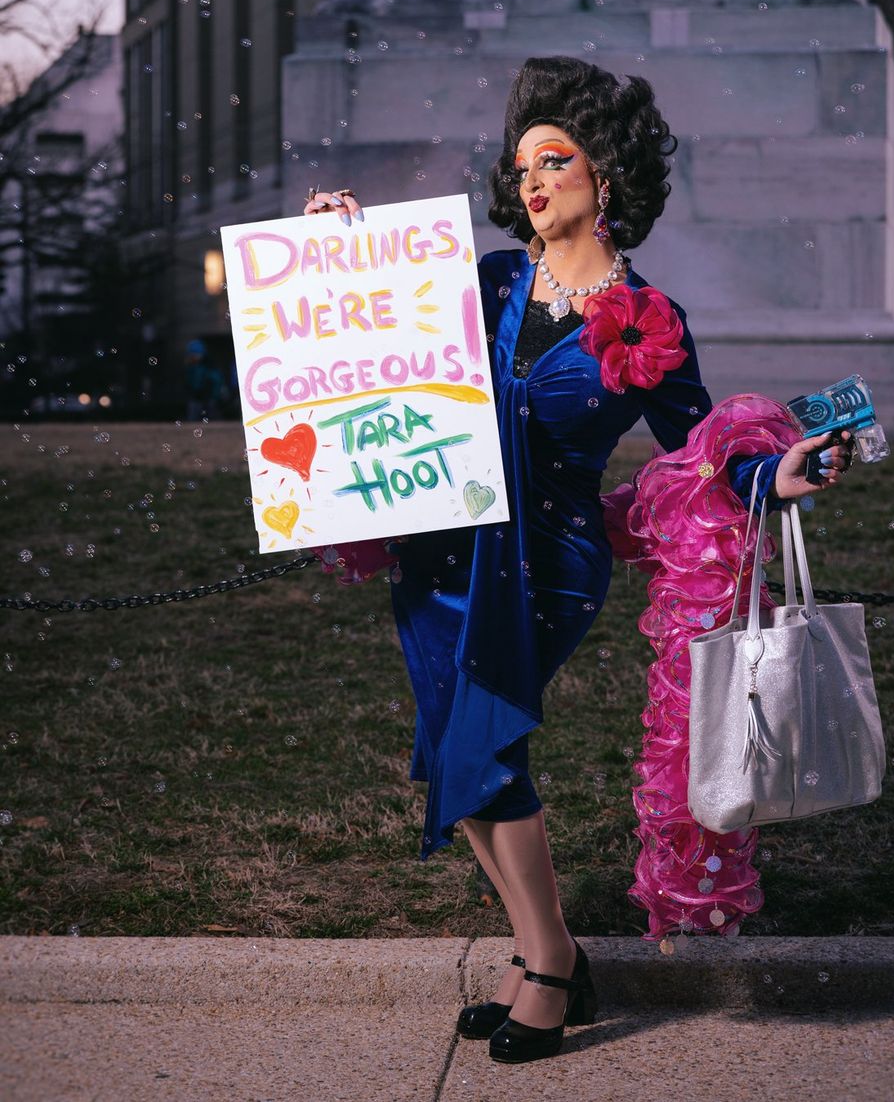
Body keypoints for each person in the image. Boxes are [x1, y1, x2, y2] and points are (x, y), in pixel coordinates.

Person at [304, 55, 850, 1064]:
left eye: (553, 161)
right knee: (448, 751)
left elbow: (696, 450)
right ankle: (536, 953)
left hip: (544, 564)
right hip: (442, 552)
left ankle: (550, 962)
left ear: (606, 177)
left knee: (483, 751)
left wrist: (772, 478)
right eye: (521, 168)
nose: (533, 182)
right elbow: (383, 353)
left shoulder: (650, 320)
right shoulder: (490, 280)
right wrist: (342, 256)